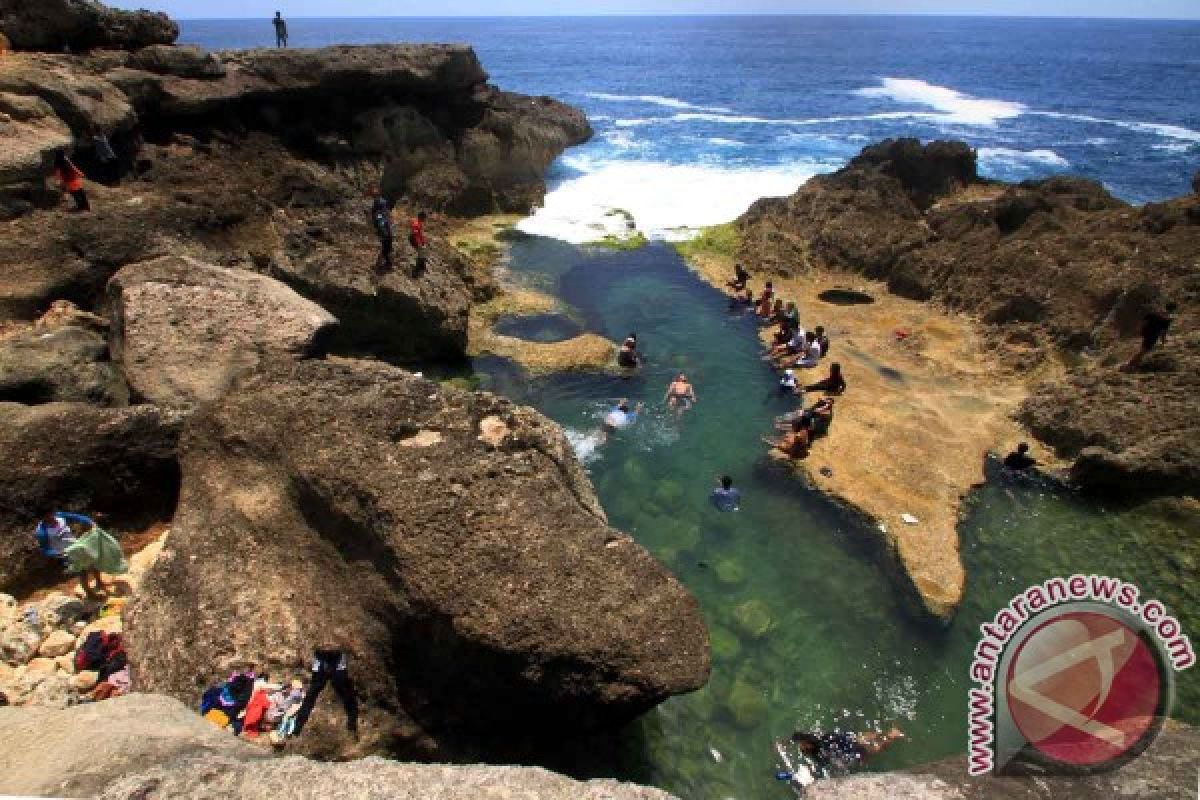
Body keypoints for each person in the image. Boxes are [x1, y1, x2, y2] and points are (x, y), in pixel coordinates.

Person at [35, 511, 105, 596]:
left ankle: (99, 582)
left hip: (77, 545)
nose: (51, 517)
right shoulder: (41, 532)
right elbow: (45, 549)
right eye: (47, 516)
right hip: (66, 553)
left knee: (94, 562)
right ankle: (89, 593)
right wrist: (56, 553)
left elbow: (77, 517)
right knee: (82, 571)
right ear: (42, 518)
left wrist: (90, 522)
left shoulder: (59, 516)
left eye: (51, 514)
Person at [292, 646, 358, 736]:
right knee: (312, 693)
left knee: (343, 691)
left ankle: (352, 724)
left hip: (335, 655)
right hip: (323, 655)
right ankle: (297, 727)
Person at [788, 727, 904, 774]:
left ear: (808, 745)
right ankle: (886, 733)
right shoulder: (820, 736)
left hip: (853, 752)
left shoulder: (819, 754)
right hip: (848, 740)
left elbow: (836, 763)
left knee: (874, 749)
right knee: (860, 739)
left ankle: (892, 735)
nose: (800, 747)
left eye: (802, 745)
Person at [1124, 302, 1177, 371]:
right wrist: (1163, 341)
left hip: (1147, 332)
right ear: (1173, 310)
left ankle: (1134, 364)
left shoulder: (1156, 313)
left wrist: (1140, 330)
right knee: (1143, 351)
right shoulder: (1167, 319)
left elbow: (1144, 320)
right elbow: (1163, 331)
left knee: (1144, 350)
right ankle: (1129, 365)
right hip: (1153, 336)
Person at [369, 188, 393, 272]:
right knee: (386, 247)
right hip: (384, 231)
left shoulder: (381, 208)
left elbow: (385, 219)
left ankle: (385, 263)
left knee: (387, 247)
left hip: (386, 230)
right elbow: (380, 221)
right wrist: (384, 231)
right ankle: (384, 264)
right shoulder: (378, 212)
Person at [409, 210, 429, 277]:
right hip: (414, 239)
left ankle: (422, 266)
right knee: (421, 252)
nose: (425, 219)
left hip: (417, 239)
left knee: (424, 250)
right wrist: (419, 243)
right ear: (422, 217)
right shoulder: (416, 223)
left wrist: (423, 241)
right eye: (425, 218)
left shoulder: (419, 222)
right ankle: (416, 270)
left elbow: (420, 234)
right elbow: (415, 234)